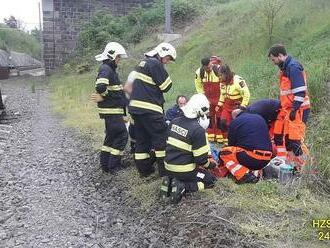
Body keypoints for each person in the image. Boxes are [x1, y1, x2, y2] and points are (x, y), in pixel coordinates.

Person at [128, 42, 176, 177]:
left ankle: (145, 171)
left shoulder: (141, 64)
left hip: (136, 110)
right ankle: (164, 173)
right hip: (150, 109)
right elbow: (167, 86)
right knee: (161, 138)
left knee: (142, 140)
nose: (167, 62)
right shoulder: (155, 64)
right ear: (162, 54)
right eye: (167, 59)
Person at [161, 93, 217, 203]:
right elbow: (201, 160)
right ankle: (184, 186)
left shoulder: (174, 122)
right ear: (200, 112)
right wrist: (212, 165)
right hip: (186, 171)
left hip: (168, 167)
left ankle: (172, 181)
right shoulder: (197, 130)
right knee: (210, 180)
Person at [91, 42, 128, 173]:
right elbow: (100, 87)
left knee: (111, 137)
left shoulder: (108, 69)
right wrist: (105, 96)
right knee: (122, 136)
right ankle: (114, 166)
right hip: (111, 111)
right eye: (118, 57)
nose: (119, 60)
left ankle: (106, 165)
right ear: (112, 56)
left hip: (112, 111)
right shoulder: (106, 69)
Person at [268, 44, 310, 160]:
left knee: (296, 141)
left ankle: (307, 168)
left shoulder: (293, 67)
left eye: (274, 59)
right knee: (289, 141)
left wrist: (294, 109)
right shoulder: (286, 69)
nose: (274, 62)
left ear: (280, 55)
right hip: (291, 110)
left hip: (298, 109)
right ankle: (295, 167)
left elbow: (300, 91)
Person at [218, 109, 273, 184]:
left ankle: (244, 175)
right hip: (267, 159)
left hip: (251, 158)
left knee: (224, 153)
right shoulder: (260, 118)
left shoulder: (236, 122)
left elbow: (231, 144)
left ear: (235, 117)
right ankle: (256, 173)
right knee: (244, 152)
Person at [215, 64, 250, 143]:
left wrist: (242, 107)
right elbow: (222, 95)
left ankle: (239, 141)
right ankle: (227, 142)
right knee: (223, 123)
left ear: (225, 74)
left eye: (220, 75)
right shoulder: (222, 82)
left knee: (237, 126)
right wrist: (219, 105)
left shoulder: (238, 80)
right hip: (227, 106)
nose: (219, 78)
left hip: (237, 107)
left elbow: (246, 94)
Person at [194, 56, 224, 143]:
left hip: (218, 97)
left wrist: (222, 96)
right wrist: (202, 95)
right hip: (207, 98)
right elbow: (198, 85)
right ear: (203, 66)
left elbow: (223, 82)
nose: (208, 68)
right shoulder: (199, 72)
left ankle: (220, 134)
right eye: (206, 67)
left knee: (219, 116)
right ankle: (210, 133)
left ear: (211, 64)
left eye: (209, 66)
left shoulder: (218, 69)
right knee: (209, 115)